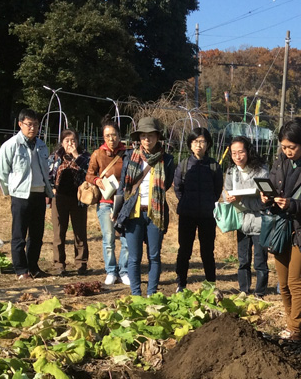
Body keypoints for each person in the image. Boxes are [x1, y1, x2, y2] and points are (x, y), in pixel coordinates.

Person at [262, 118, 301, 340]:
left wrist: (292, 204)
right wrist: (266, 198)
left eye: (292, 147)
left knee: (295, 281)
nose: (288, 151)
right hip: (280, 225)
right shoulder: (280, 162)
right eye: (284, 147)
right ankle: (290, 324)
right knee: (282, 282)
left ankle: (295, 329)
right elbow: (272, 184)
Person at [114, 117, 175, 296]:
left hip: (156, 213)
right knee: (134, 258)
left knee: (154, 256)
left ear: (157, 137)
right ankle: (136, 294)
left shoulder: (167, 160)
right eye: (143, 136)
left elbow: (168, 183)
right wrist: (117, 210)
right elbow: (123, 186)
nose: (147, 139)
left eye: (150, 135)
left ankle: (151, 293)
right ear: (139, 138)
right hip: (133, 212)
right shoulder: (129, 157)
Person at [0, 108, 54, 280]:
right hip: (20, 196)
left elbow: (46, 170)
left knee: (37, 235)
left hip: (38, 194)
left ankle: (33, 266)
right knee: (19, 234)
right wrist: (10, 191)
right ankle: (21, 269)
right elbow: (2, 171)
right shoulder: (11, 145)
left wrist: (47, 190)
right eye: (29, 124)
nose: (33, 128)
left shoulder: (41, 145)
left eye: (36, 125)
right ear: (20, 124)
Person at [174, 127, 223, 291]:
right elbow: (177, 188)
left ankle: (210, 284)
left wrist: (208, 202)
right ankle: (181, 283)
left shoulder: (214, 166)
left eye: (202, 142)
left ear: (208, 144)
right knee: (184, 250)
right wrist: (187, 201)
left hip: (207, 215)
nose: (199, 145)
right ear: (190, 144)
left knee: (208, 251)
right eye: (195, 142)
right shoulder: (184, 165)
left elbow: (217, 190)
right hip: (187, 214)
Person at [223, 136, 270, 296]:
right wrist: (228, 198)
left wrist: (243, 202)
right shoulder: (231, 172)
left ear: (248, 151)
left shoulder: (262, 171)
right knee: (243, 260)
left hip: (259, 222)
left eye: (241, 152)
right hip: (241, 222)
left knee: (260, 260)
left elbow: (265, 201)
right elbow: (226, 192)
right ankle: (243, 289)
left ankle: (260, 292)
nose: (237, 156)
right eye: (233, 153)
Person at [87, 121, 129, 285]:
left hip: (124, 202)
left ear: (119, 135)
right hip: (105, 201)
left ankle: (124, 270)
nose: (111, 138)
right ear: (103, 137)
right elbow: (89, 175)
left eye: (114, 135)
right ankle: (111, 270)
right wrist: (97, 181)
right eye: (107, 136)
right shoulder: (98, 154)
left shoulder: (127, 153)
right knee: (109, 238)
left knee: (125, 238)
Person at [50, 129, 91, 276]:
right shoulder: (56, 157)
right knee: (59, 232)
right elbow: (48, 175)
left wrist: (76, 156)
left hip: (79, 198)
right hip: (59, 198)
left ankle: (81, 264)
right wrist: (51, 190)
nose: (70, 143)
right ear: (61, 142)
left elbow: (90, 171)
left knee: (79, 232)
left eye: (73, 140)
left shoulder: (84, 156)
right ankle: (59, 264)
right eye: (67, 140)